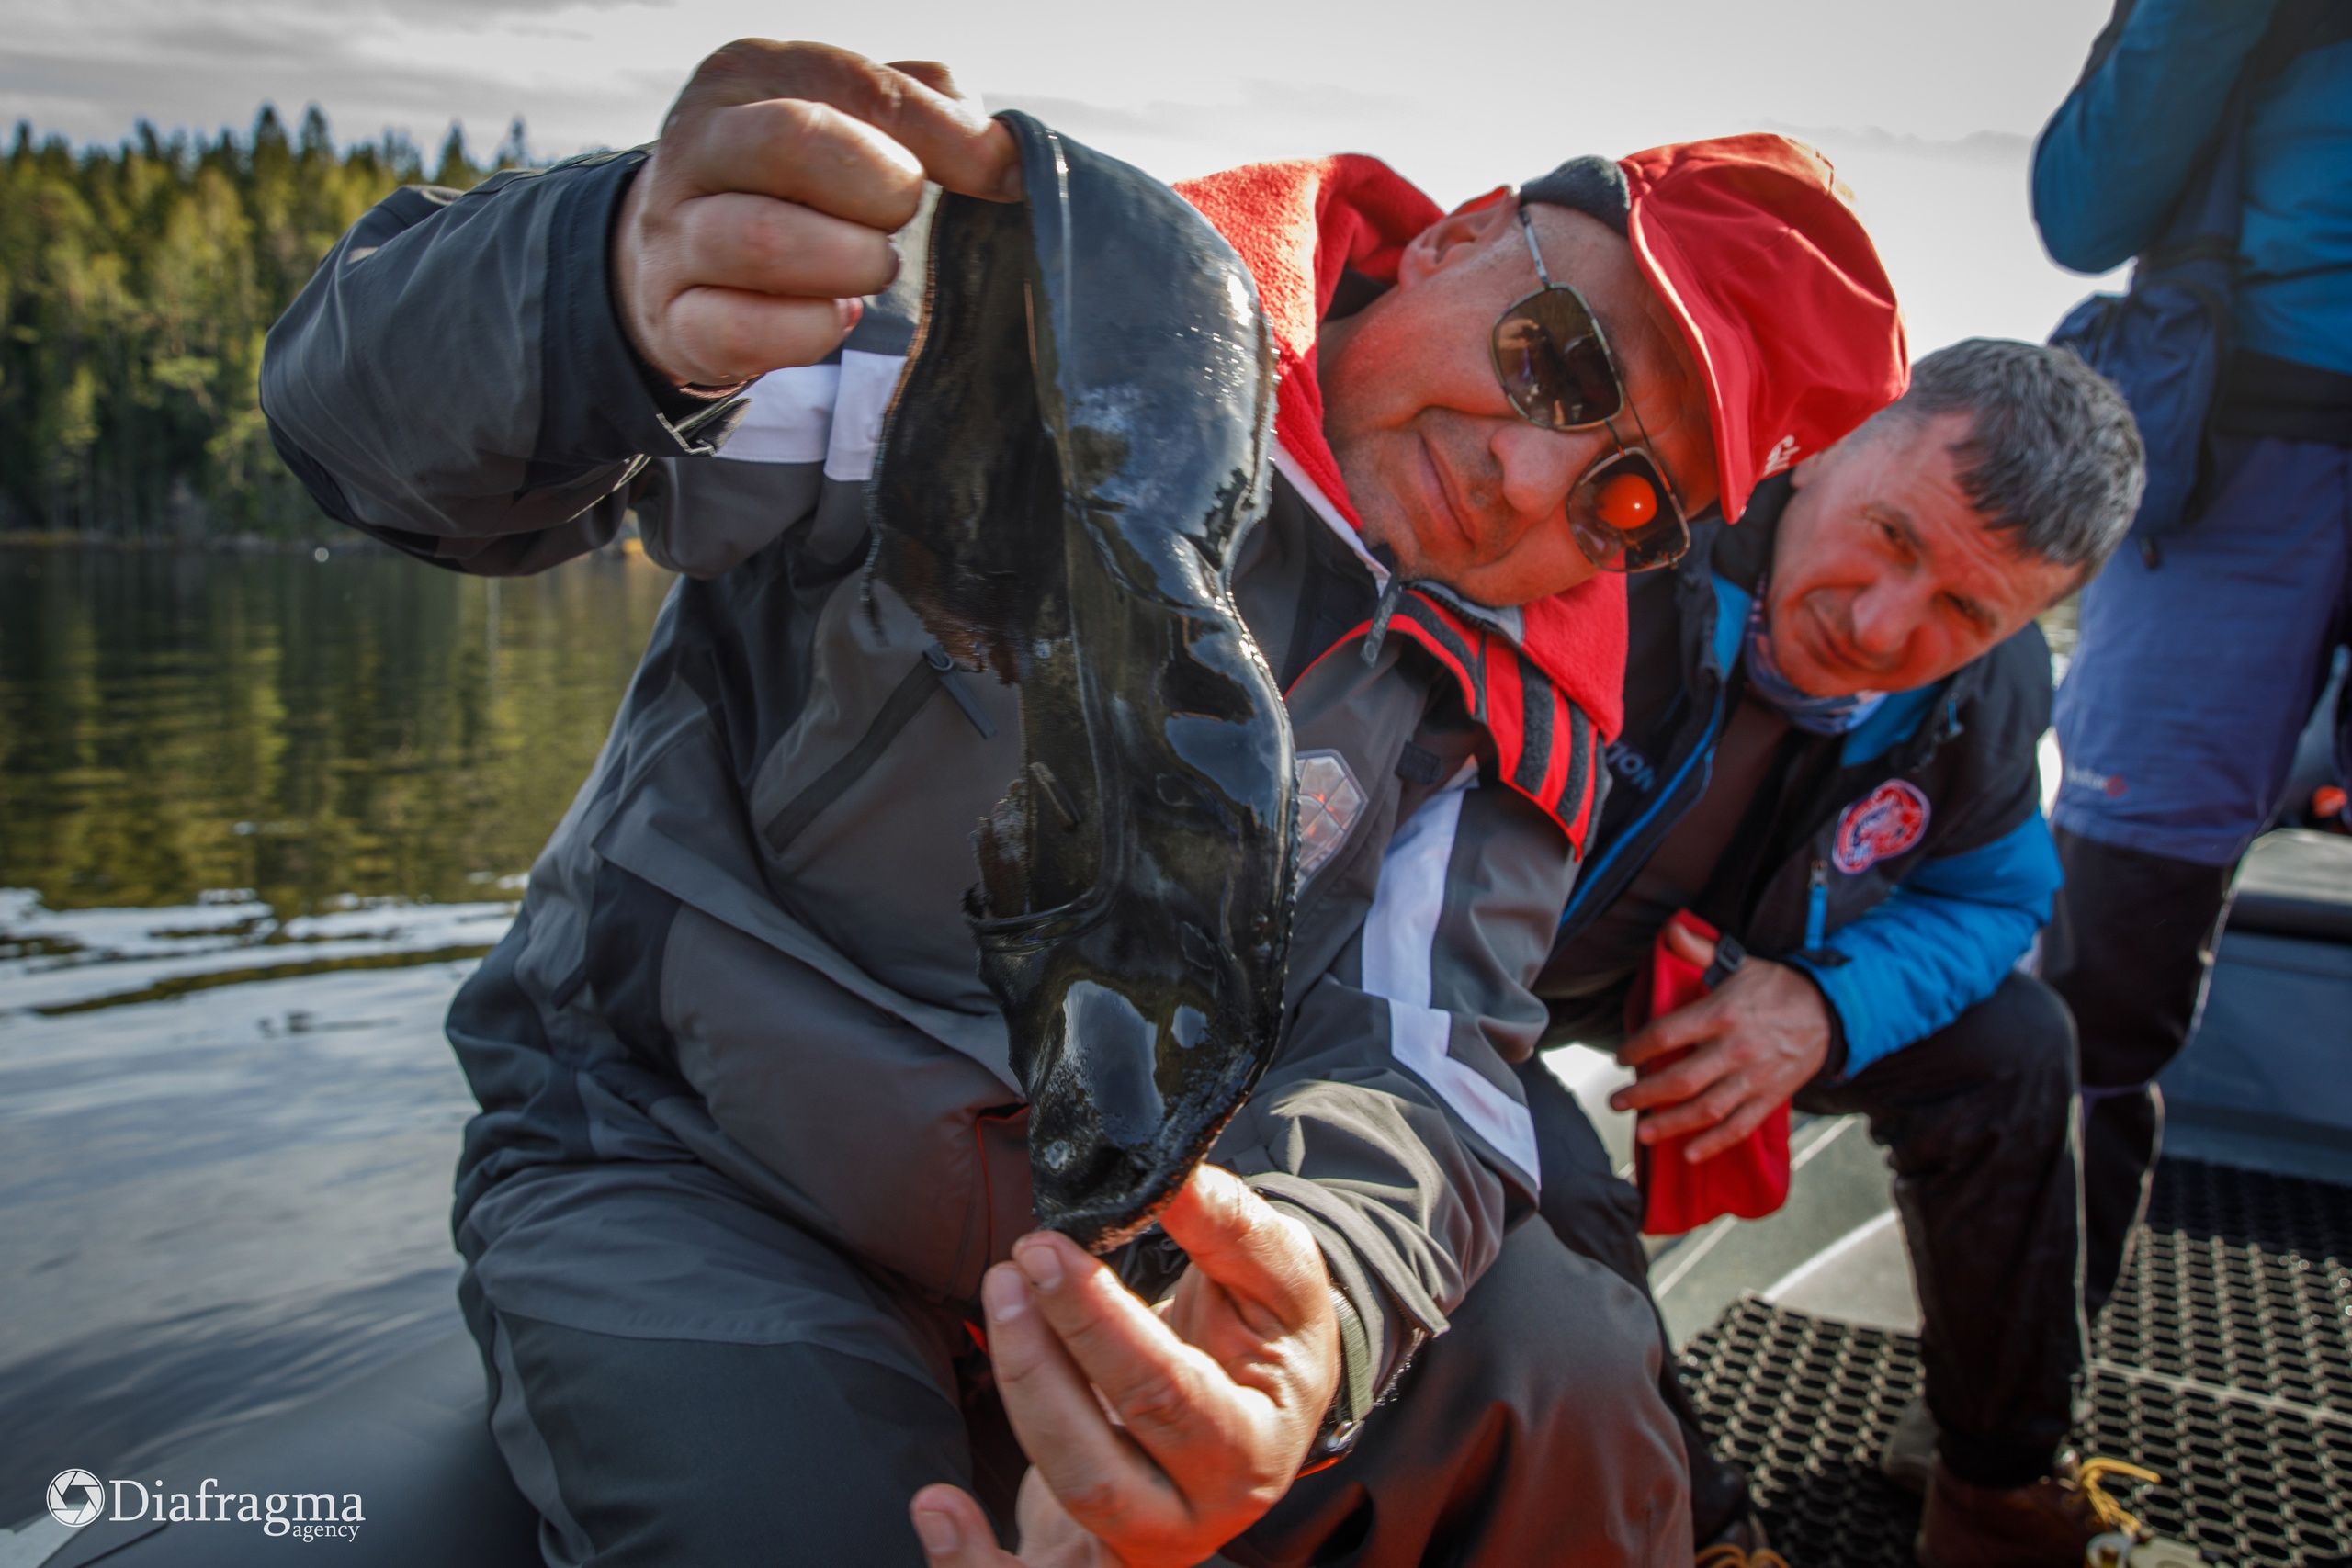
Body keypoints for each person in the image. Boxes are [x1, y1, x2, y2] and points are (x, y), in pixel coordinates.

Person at [261, 40, 1906, 1568]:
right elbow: (377, 430)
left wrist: (1309, 1302)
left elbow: (1428, 1064)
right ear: (1464, 232)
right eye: (1564, 364)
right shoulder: (1000, 307)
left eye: (1628, 499)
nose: (1532, 481)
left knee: (1561, 1375)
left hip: (1128, 1228)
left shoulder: (1524, 709)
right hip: (695, 1160)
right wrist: (611, 283)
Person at [1522, 339, 2146, 1567]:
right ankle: (1694, 1532)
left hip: (1712, 979)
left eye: (1966, 609)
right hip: (1470, 976)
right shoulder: (1622, 536)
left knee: (2020, 1050)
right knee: (1545, 1173)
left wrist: (1824, 1003)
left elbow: (1996, 898)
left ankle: (1996, 1486)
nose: (1879, 626)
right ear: (1815, 453)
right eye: (1894, 538)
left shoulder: (1991, 698)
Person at [2030, 0, 2352, 1337]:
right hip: (2230, 466)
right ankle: (2020, 1408)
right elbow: (2085, 211)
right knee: (2108, 947)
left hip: (2234, 472)